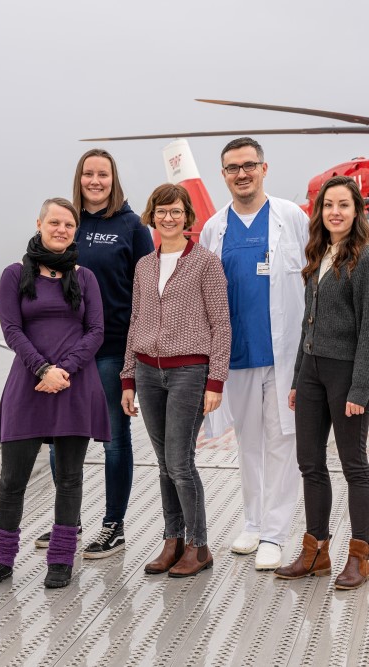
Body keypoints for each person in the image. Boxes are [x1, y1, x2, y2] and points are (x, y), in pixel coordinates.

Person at [0, 198, 110, 590]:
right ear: (39, 224)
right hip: (29, 385)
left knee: (69, 478)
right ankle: (0, 560)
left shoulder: (85, 278)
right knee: (12, 480)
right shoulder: (15, 274)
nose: (62, 229)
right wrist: (44, 368)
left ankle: (61, 560)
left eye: (68, 224)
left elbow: (96, 331)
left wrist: (64, 369)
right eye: (55, 222)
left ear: (74, 230)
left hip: (74, 384)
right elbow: (12, 329)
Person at [33, 149, 153, 558]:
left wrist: (136, 355)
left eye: (103, 174)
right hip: (65, 353)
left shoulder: (132, 227)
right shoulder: (69, 222)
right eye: (88, 174)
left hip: (112, 348)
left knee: (114, 439)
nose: (95, 181)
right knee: (59, 440)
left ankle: (113, 525)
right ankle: (69, 521)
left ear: (113, 178)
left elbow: (147, 291)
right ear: (79, 178)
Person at [198, 137, 308, 571]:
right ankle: (253, 521)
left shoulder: (291, 218)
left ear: (264, 168)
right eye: (232, 167)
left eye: (249, 165)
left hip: (283, 353)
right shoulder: (214, 228)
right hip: (236, 353)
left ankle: (275, 534)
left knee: (283, 441)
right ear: (223, 174)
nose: (241, 173)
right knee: (247, 444)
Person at [273, 176, 369, 590]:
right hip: (312, 374)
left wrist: (360, 389)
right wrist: (298, 377)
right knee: (310, 463)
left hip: (346, 375)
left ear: (356, 211)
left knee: (354, 465)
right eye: (328, 205)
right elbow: (309, 323)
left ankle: (360, 556)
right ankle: (316, 550)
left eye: (343, 205)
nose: (334, 212)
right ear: (320, 212)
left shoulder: (366, 261)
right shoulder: (318, 253)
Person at [120, 183, 231, 577]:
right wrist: (128, 378)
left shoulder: (205, 262)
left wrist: (215, 381)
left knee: (180, 462)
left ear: (188, 217)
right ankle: (174, 540)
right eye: (162, 211)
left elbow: (221, 324)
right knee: (165, 464)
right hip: (148, 372)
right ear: (152, 215)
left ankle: (199, 547)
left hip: (189, 372)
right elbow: (136, 322)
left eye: (177, 211)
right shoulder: (144, 266)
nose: (169, 218)